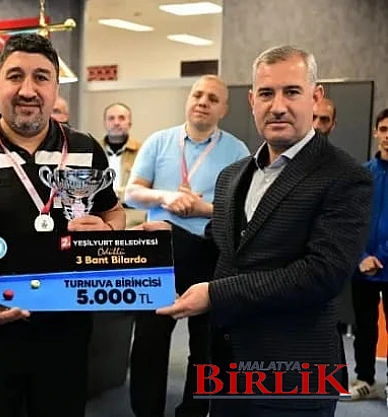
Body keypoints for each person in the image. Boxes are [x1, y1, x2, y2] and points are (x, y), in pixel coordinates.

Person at [157, 45, 372, 417]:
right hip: (226, 365)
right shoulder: (232, 176)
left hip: (295, 375)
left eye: (292, 92)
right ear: (252, 100)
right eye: (267, 93)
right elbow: (221, 250)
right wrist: (159, 242)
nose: (278, 106)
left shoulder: (345, 177)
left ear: (315, 97)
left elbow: (321, 275)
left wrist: (216, 294)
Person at [0, 33, 125, 417]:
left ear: (56, 87)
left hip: (66, 327)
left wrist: (109, 232)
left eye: (41, 77)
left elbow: (114, 213)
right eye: (15, 76)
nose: (28, 90)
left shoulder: (85, 149)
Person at [124, 75, 249, 417]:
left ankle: (194, 411)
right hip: (160, 252)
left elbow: (243, 210)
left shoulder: (237, 151)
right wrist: (165, 197)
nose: (203, 102)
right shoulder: (159, 141)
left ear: (224, 109)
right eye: (197, 95)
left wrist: (202, 207)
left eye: (212, 98)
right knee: (149, 340)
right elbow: (132, 193)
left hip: (209, 251)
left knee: (206, 343)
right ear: (188, 99)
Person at [345, 108, 388, 403]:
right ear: (375, 133)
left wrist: (380, 256)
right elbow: (350, 220)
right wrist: (361, 256)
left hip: (385, 263)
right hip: (362, 267)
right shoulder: (362, 175)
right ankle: (365, 379)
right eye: (384, 129)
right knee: (364, 326)